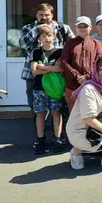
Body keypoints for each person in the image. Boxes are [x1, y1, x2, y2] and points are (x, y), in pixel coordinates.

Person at [66, 56, 102, 170]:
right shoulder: (89, 89)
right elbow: (88, 119)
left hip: (96, 125)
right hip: (81, 129)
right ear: (95, 71)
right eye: (101, 69)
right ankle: (77, 151)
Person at [19, 3, 73, 116]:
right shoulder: (28, 28)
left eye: (47, 15)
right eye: (41, 14)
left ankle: (58, 132)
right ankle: (39, 131)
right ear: (36, 15)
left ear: (52, 15)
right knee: (35, 105)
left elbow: (73, 47)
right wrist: (36, 30)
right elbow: (23, 45)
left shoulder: (62, 28)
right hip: (33, 75)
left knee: (58, 105)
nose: (44, 17)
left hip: (58, 74)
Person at [30, 25, 64, 154]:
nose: (47, 38)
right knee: (40, 113)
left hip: (55, 88)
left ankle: (58, 138)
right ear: (39, 38)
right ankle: (40, 139)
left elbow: (60, 68)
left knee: (56, 113)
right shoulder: (36, 52)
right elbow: (34, 71)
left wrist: (43, 67)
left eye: (49, 35)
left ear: (54, 36)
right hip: (39, 88)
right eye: (43, 36)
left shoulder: (59, 52)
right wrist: (51, 67)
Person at [61, 16, 102, 113]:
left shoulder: (96, 43)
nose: (82, 28)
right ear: (76, 28)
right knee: (73, 113)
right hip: (72, 85)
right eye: (80, 26)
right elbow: (64, 61)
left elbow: (99, 62)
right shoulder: (70, 43)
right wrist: (78, 77)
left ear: (90, 27)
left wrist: (87, 77)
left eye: (85, 26)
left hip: (91, 84)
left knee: (90, 112)